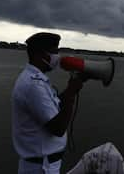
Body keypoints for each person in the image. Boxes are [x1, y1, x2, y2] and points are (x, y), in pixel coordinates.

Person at [11, 32, 84, 174]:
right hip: (41, 168)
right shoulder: (34, 85)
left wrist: (71, 89)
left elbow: (55, 107)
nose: (57, 57)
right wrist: (71, 93)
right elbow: (58, 128)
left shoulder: (36, 80)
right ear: (40, 54)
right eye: (54, 52)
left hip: (44, 165)